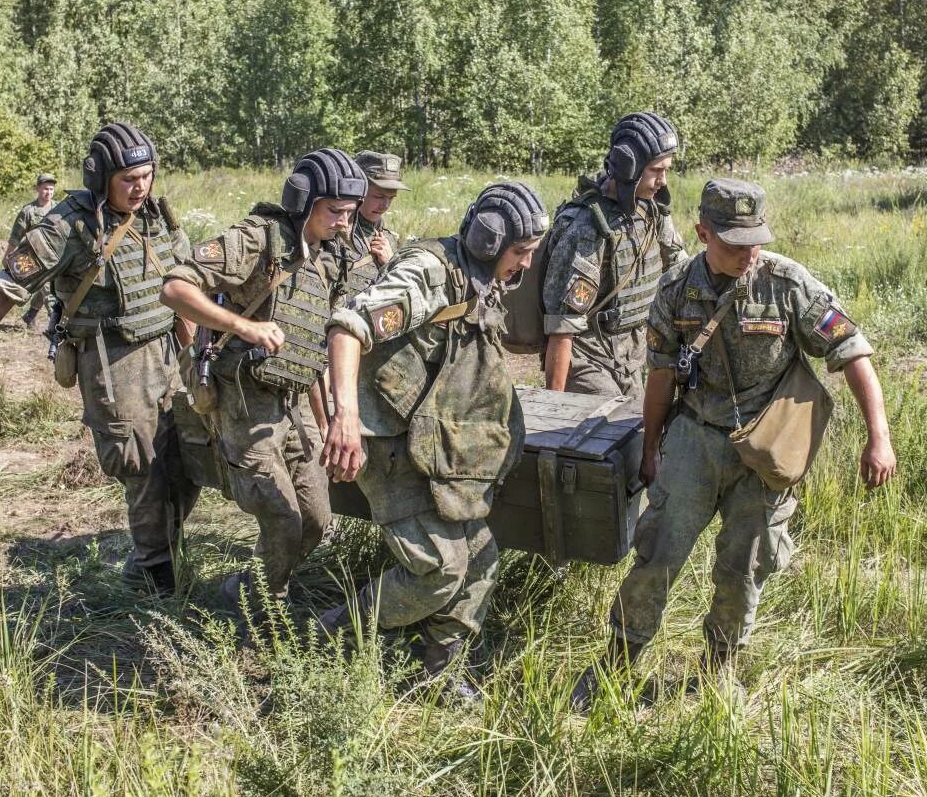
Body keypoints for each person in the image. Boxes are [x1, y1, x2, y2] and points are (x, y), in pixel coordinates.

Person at [570, 178, 897, 712]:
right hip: (696, 438)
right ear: (702, 233)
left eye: (756, 239)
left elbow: (853, 353)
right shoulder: (677, 289)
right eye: (734, 242)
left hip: (766, 450)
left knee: (746, 564)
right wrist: (652, 448)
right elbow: (658, 379)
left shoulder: (788, 284)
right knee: (657, 554)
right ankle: (617, 660)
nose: (750, 252)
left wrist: (878, 439)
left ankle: (719, 668)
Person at [0, 123, 200, 596]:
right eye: (128, 178)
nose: (140, 187)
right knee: (140, 464)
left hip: (168, 352)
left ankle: (165, 551)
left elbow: (184, 281)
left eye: (147, 175)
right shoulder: (67, 227)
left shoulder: (156, 216)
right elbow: (6, 290)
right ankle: (152, 573)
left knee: (184, 458)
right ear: (102, 178)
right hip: (112, 360)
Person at [319, 182, 549, 699]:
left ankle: (439, 670)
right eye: (521, 253)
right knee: (439, 572)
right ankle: (336, 634)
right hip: (390, 442)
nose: (527, 266)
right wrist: (345, 418)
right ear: (491, 243)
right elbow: (348, 327)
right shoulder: (427, 274)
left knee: (482, 561)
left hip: (439, 444)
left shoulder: (480, 276)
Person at [160, 149, 368, 614]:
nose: (343, 223)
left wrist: (334, 412)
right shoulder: (257, 240)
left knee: (315, 520)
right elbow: (174, 288)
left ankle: (247, 587)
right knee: (282, 521)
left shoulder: (332, 255)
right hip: (244, 400)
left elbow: (328, 333)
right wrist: (242, 326)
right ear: (303, 200)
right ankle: (261, 613)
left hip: (295, 399)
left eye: (349, 213)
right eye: (334, 211)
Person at [541, 112, 687, 400]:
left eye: (666, 170)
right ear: (629, 168)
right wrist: (552, 408)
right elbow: (562, 326)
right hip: (587, 358)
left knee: (643, 431)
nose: (662, 181)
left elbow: (681, 270)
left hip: (634, 357)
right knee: (607, 436)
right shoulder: (587, 226)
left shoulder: (652, 210)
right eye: (656, 170)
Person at [339, 150, 406, 302]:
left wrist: (390, 264)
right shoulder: (334, 230)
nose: (385, 205)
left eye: (391, 198)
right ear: (358, 190)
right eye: (379, 196)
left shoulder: (387, 239)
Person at [6, 173, 59, 329]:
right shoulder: (28, 211)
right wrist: (7, 256)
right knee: (48, 290)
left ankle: (31, 315)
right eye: (45, 189)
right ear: (37, 189)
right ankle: (56, 324)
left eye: (51, 189)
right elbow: (16, 235)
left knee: (49, 287)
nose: (48, 192)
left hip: (56, 257)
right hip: (34, 258)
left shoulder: (58, 208)